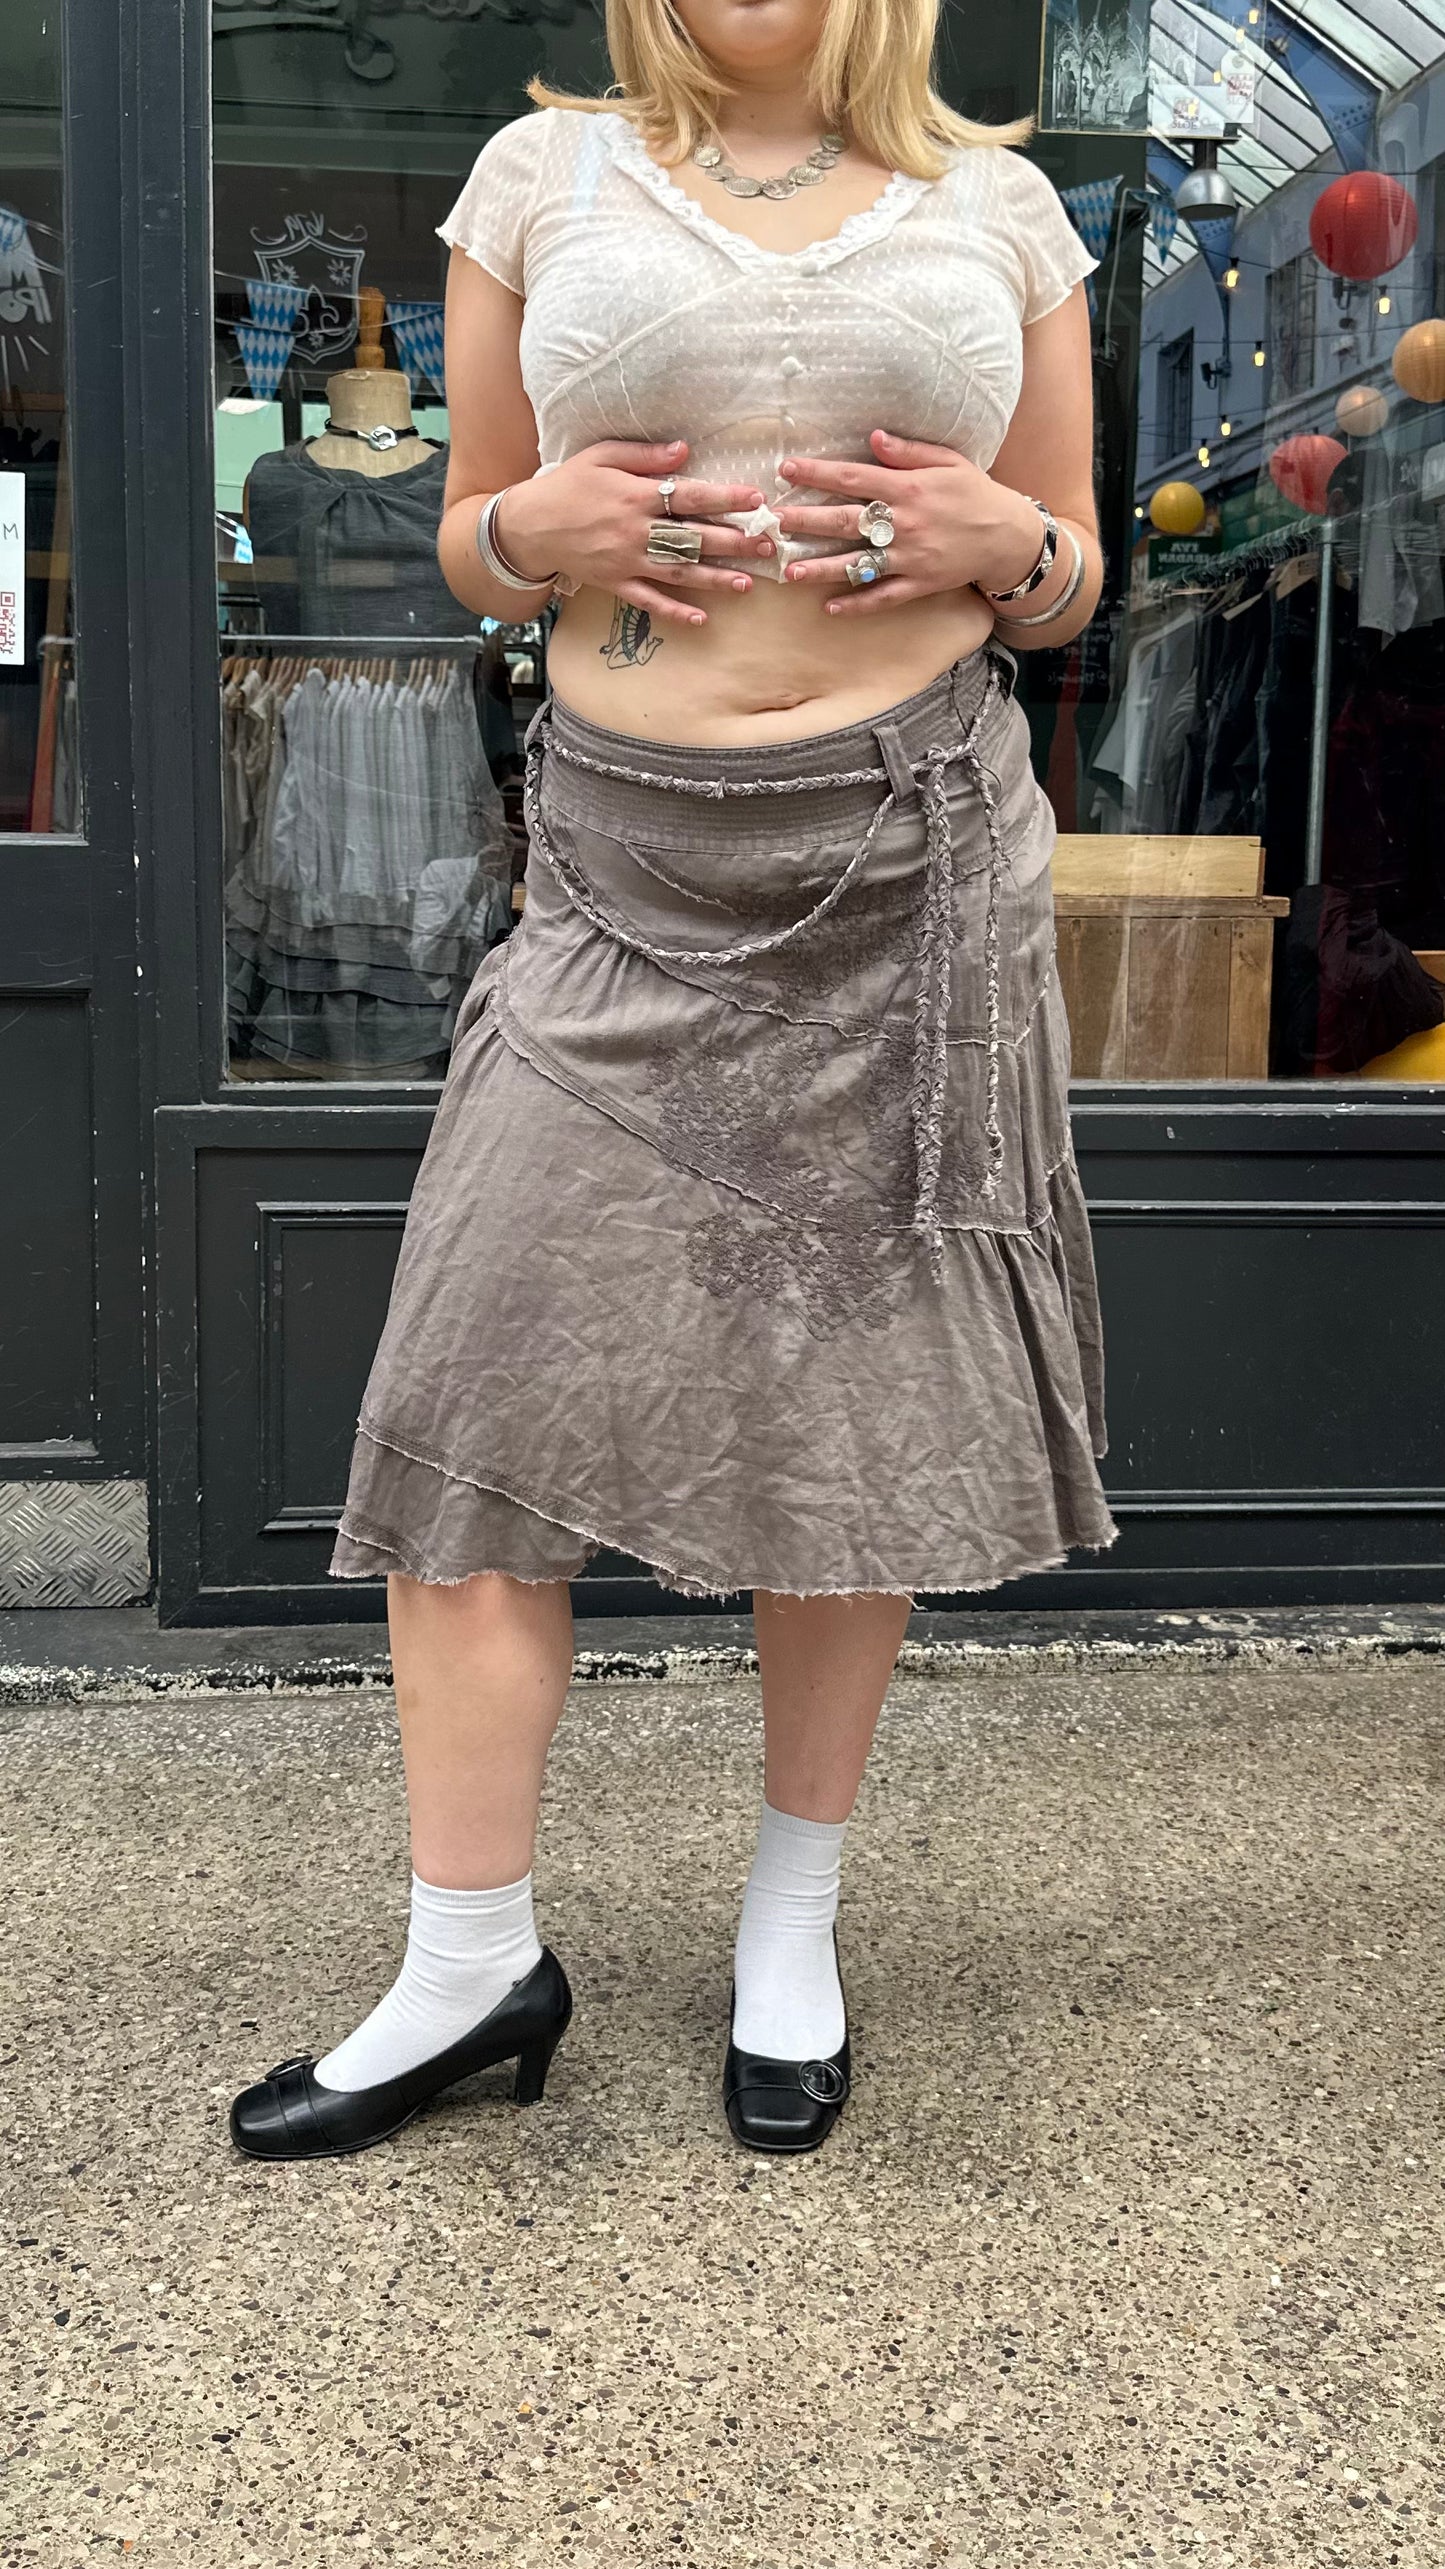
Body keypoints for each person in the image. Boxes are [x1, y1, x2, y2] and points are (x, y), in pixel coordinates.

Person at [230, 0, 1119, 2165]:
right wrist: (534, 531)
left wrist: (1000, 549)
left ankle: (790, 1930)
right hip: (619, 872)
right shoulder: (539, 178)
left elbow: (1075, 570)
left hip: (910, 864)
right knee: (465, 1398)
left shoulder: (1000, 206)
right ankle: (468, 1961)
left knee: (853, 1419)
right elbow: (469, 534)